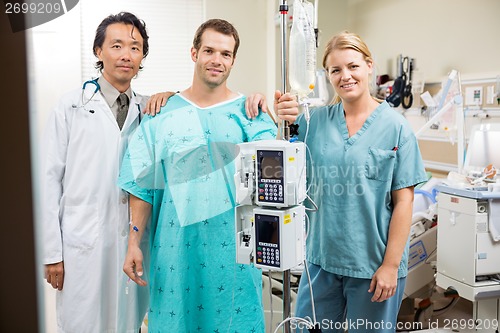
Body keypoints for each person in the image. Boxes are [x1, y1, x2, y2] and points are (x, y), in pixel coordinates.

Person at [118, 18, 297, 333]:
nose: (217, 60)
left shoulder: (252, 117)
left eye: (226, 54)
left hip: (236, 261)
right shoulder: (162, 114)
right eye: (209, 51)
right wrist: (133, 242)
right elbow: (140, 186)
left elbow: (275, 190)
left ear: (233, 60)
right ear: (194, 53)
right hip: (175, 254)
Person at [277, 31, 428, 332]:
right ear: (328, 76)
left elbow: (404, 202)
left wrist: (389, 266)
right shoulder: (315, 122)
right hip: (320, 262)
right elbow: (281, 140)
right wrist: (279, 110)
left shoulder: (396, 128)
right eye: (336, 70)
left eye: (353, 66)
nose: (345, 76)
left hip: (373, 265)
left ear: (369, 66)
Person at [41, 12, 152, 333]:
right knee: (82, 323)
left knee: (128, 323)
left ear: (142, 56)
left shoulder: (149, 110)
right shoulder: (71, 107)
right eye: (116, 45)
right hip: (81, 245)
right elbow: (48, 183)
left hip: (131, 243)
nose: (126, 55)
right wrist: (52, 253)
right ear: (98, 51)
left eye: (135, 47)